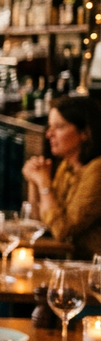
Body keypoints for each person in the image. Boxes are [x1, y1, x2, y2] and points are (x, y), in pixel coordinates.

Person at [22, 95, 101, 259]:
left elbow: (62, 230)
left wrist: (44, 182)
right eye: (49, 126)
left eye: (59, 127)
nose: (49, 134)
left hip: (92, 271)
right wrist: (33, 181)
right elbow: (39, 224)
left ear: (84, 133)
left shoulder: (97, 170)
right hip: (68, 263)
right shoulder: (67, 165)